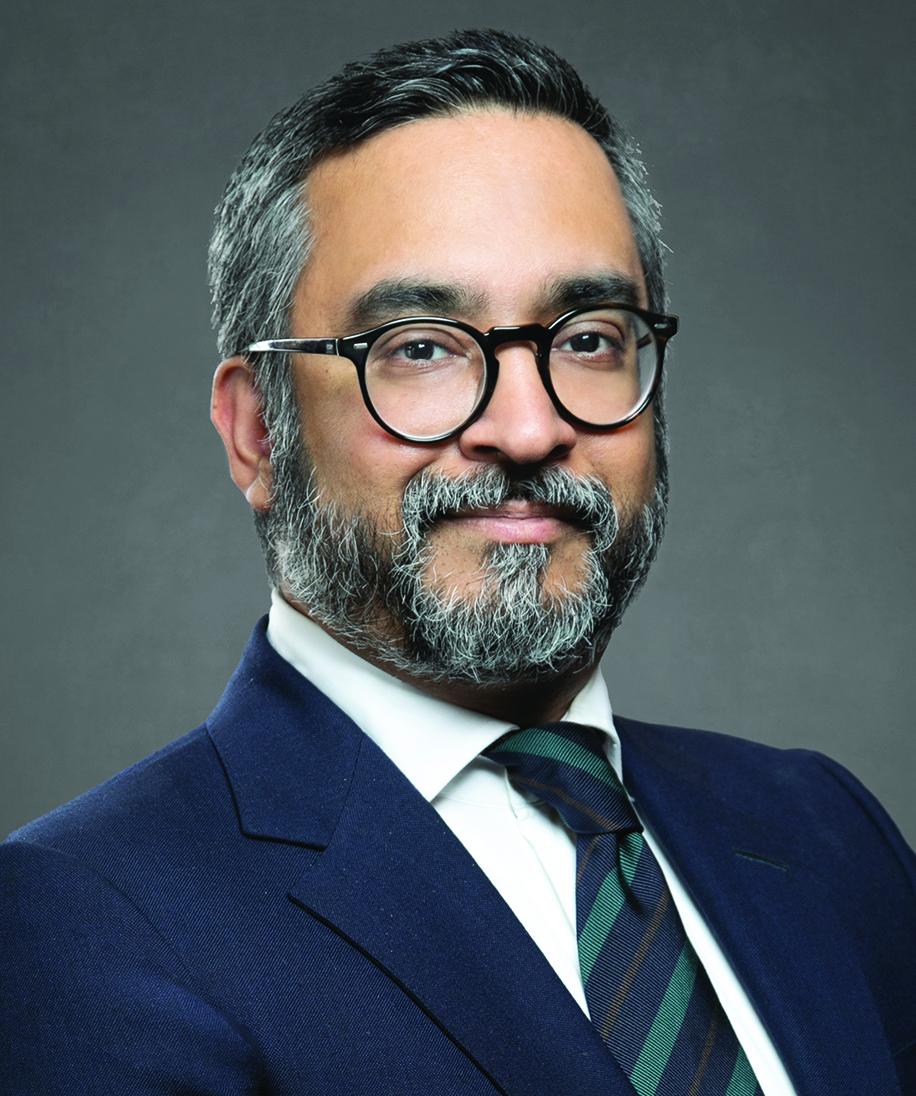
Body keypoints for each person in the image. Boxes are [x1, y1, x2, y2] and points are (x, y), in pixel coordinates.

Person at [2, 28, 914, 1095]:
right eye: (421, 347)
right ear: (257, 433)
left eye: (587, 337)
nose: (528, 429)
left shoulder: (824, 830)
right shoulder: (82, 920)